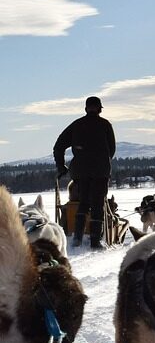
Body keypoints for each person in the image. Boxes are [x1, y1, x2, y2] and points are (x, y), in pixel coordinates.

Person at [53, 96, 116, 248]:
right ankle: (95, 241)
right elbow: (112, 150)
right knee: (97, 204)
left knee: (83, 203)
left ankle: (77, 238)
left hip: (80, 171)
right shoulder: (105, 125)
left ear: (86, 108)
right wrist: (103, 162)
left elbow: (58, 146)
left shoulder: (77, 125)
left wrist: (61, 166)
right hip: (100, 171)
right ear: (100, 108)